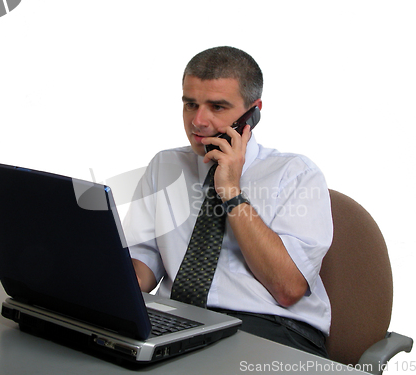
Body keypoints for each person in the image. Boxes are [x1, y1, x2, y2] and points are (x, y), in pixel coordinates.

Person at [123, 46, 333, 358]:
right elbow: (142, 268)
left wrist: (231, 191)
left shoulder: (296, 174)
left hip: (272, 328)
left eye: (217, 107)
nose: (198, 121)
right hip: (179, 320)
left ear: (253, 112)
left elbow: (288, 288)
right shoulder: (165, 167)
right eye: (190, 104)